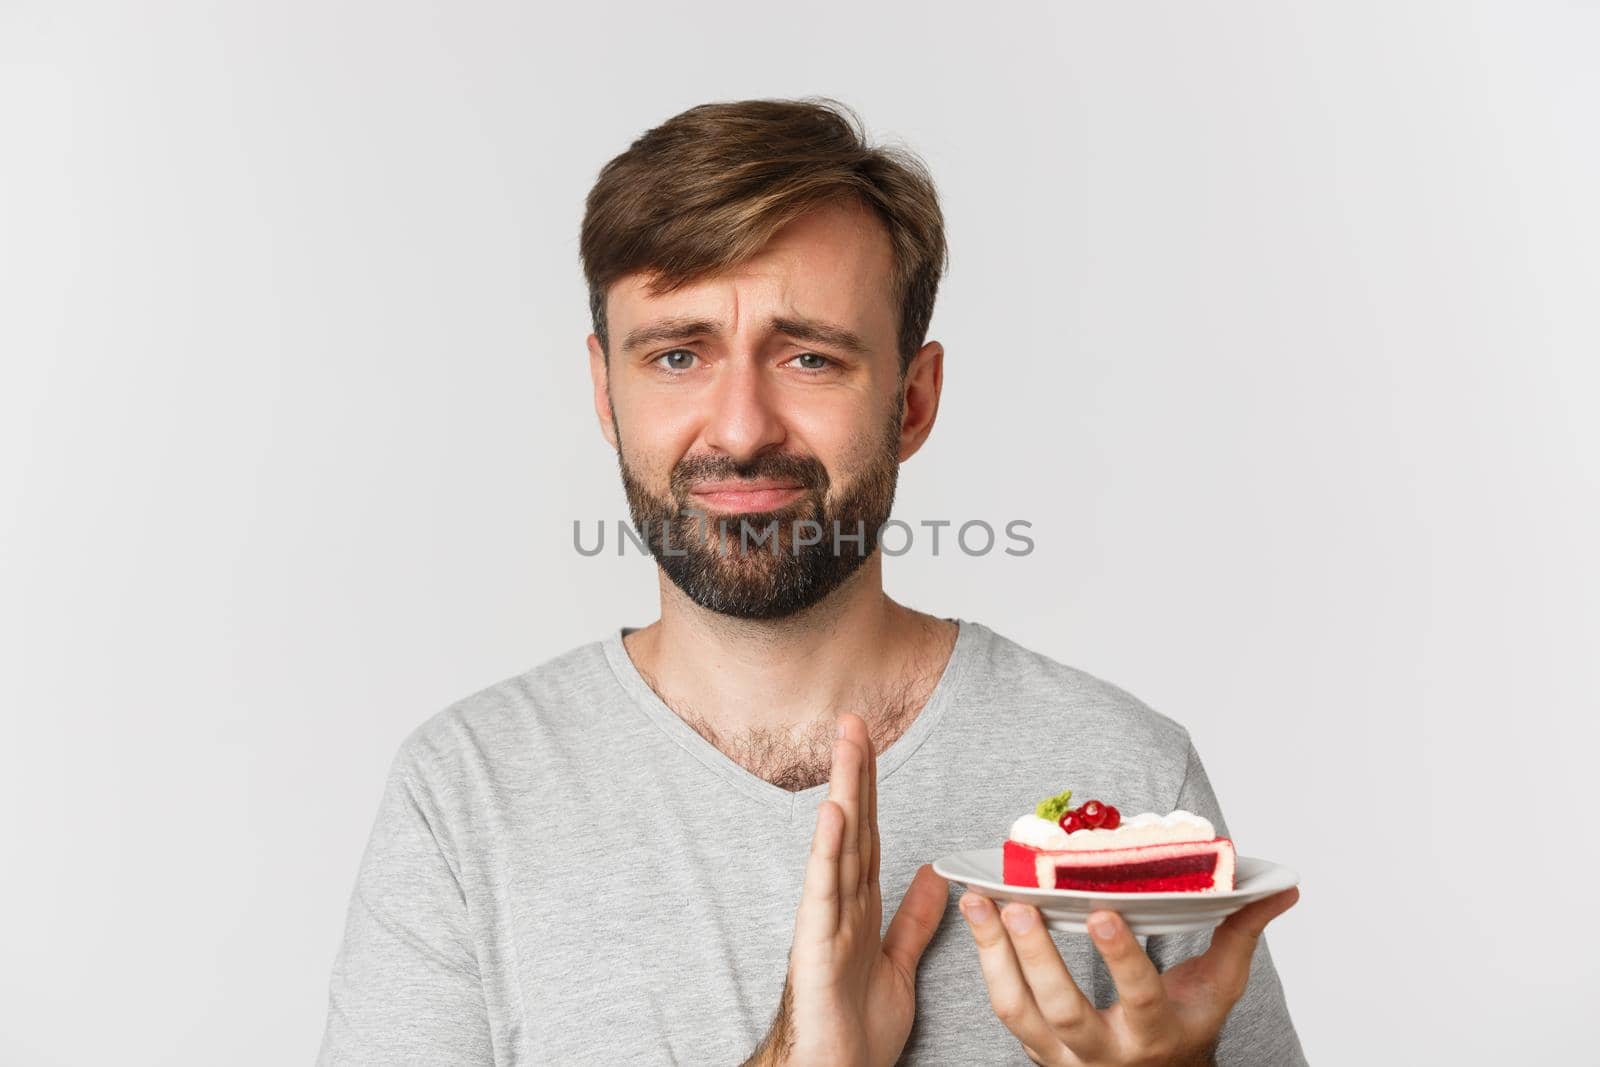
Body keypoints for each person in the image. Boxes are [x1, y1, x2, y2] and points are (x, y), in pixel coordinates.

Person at [316, 96, 1306, 1066]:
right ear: (605, 394)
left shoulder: (1122, 773)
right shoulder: (466, 791)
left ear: (912, 402)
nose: (742, 427)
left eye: (807, 357)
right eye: (675, 354)